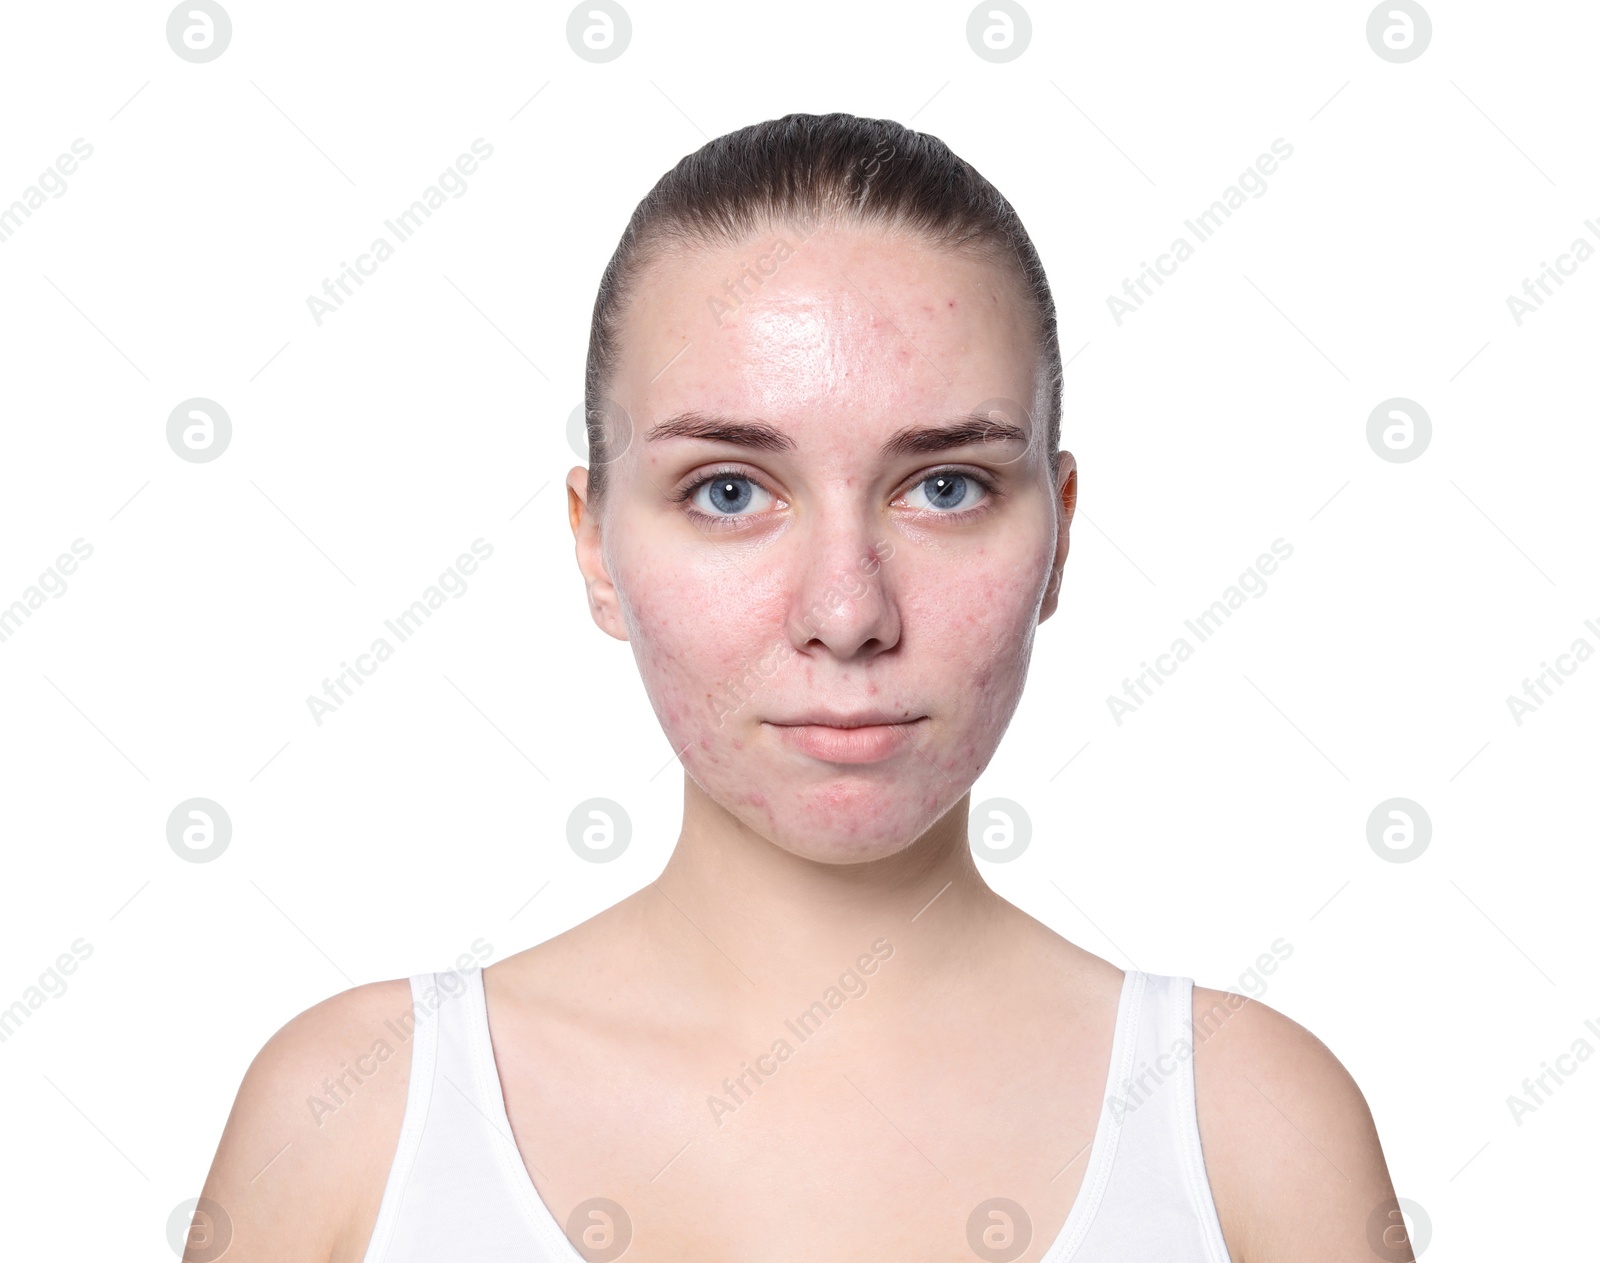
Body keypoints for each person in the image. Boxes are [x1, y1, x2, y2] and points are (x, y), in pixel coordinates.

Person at [189, 112, 1409, 1263]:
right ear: (592, 548)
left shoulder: (1256, 1133)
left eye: (945, 487)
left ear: (1060, 535)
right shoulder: (350, 1119)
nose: (847, 613)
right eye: (728, 491)